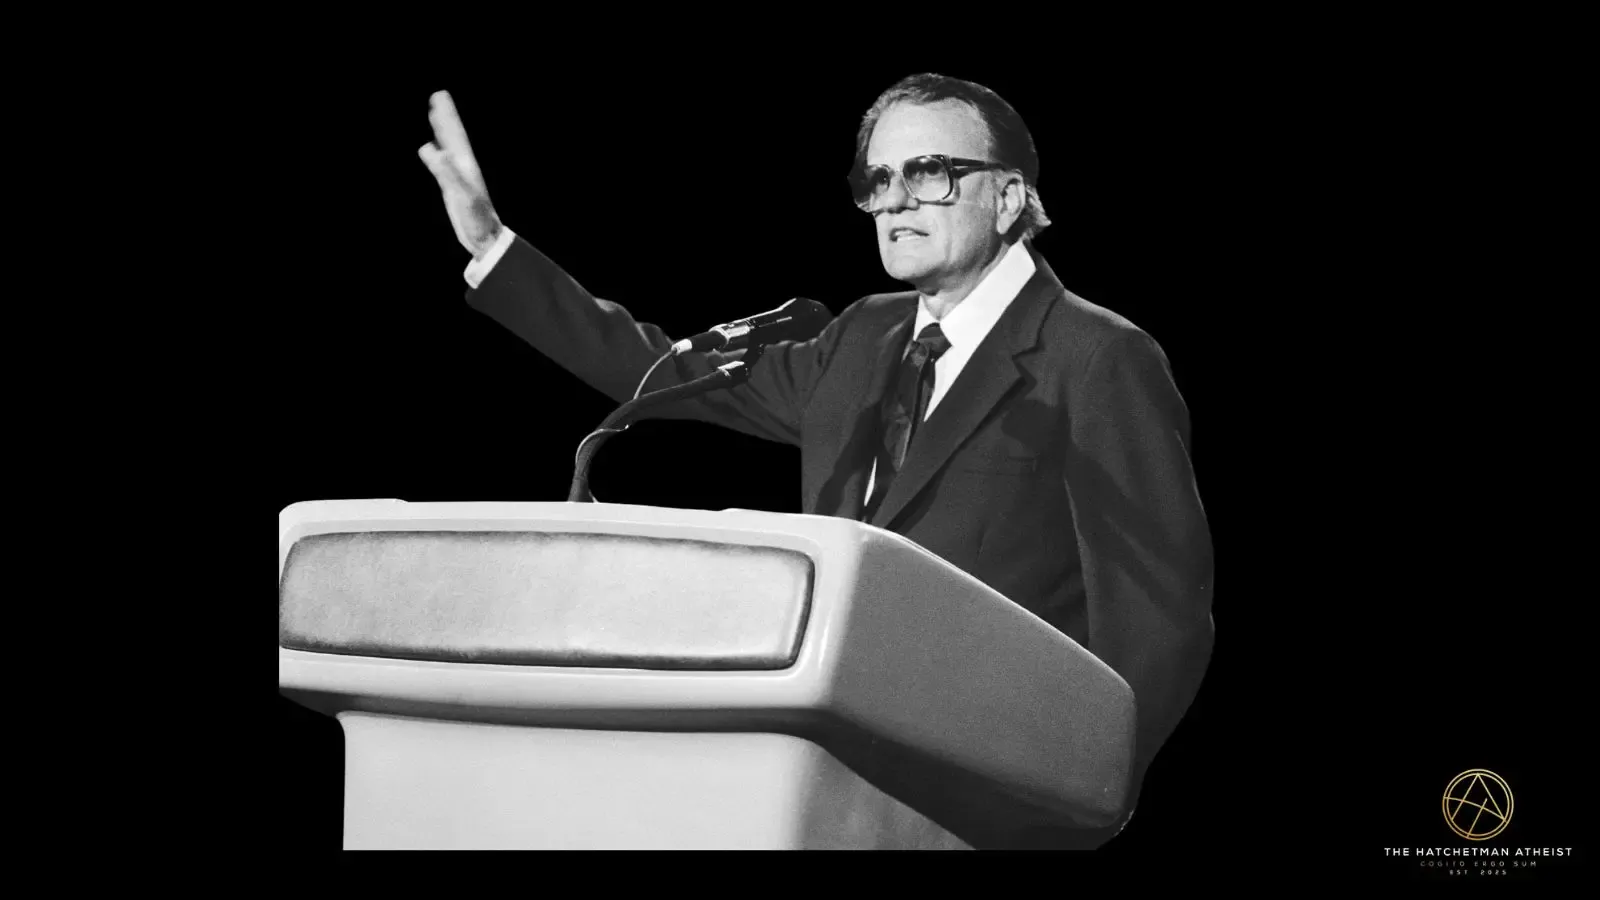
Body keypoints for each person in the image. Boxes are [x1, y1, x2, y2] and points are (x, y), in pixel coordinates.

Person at [418, 74, 1214, 850]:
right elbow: (666, 376)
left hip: (992, 810)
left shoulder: (1100, 359)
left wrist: (1071, 804)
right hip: (824, 786)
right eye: (877, 178)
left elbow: (1159, 622)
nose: (894, 199)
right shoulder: (864, 337)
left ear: (1009, 199)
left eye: (928, 172)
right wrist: (495, 248)